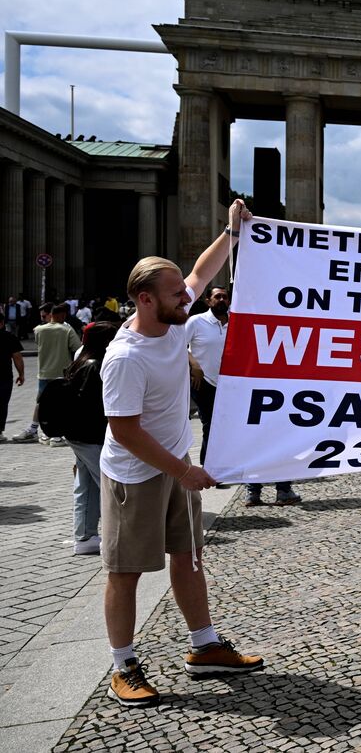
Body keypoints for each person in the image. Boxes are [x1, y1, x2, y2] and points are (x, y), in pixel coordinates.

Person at [100, 199, 263, 707]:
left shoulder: (170, 317)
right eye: (176, 295)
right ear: (145, 300)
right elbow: (124, 431)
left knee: (189, 558)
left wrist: (232, 233)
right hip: (135, 475)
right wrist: (184, 470)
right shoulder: (125, 357)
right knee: (125, 572)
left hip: (175, 467)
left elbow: (199, 270)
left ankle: (204, 646)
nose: (187, 298)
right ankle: (122, 663)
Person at [188, 285, 299, 506]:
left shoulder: (239, 322)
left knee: (247, 430)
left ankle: (251, 483)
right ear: (208, 301)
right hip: (205, 383)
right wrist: (194, 365)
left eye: (225, 297)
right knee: (211, 426)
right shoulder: (196, 322)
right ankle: (212, 471)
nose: (221, 300)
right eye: (217, 297)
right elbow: (177, 345)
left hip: (236, 385)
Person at [63, 322, 120, 555]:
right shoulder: (96, 366)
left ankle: (85, 537)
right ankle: (118, 537)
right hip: (91, 435)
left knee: (85, 486)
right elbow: (98, 406)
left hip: (78, 435)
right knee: (110, 485)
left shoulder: (80, 363)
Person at [20, 302, 82, 446]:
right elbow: (77, 348)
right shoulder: (66, 329)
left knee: (41, 401)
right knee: (61, 404)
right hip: (61, 372)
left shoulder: (39, 330)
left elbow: (38, 342)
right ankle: (57, 435)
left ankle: (34, 428)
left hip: (43, 372)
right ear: (61, 315)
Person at [0, 321, 22, 434]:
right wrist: (21, 374)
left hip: (5, 376)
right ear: (2, 323)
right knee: (2, 403)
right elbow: (17, 357)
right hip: (4, 376)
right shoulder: (9, 337)